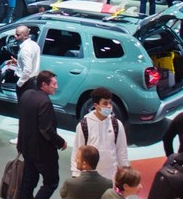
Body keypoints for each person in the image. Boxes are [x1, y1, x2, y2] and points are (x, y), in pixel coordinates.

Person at [18, 71, 67, 199]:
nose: (56, 86)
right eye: (54, 84)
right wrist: (61, 142)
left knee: (28, 183)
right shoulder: (45, 102)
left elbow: (23, 122)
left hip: (27, 148)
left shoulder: (26, 95)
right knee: (51, 183)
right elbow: (46, 130)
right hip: (43, 152)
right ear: (43, 85)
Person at [73, 87, 128, 181]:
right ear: (96, 105)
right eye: (105, 103)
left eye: (110, 103)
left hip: (111, 175)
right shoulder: (83, 125)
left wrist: (125, 169)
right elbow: (77, 151)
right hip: (90, 175)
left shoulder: (117, 124)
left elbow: (122, 150)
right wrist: (76, 174)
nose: (109, 106)